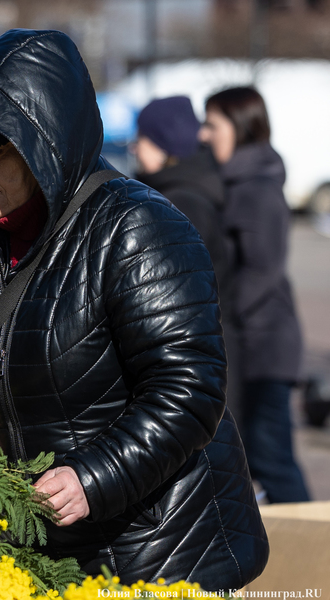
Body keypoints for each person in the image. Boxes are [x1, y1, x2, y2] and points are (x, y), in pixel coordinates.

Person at [0, 29, 267, 588]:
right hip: (30, 556)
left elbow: (189, 389)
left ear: (46, 144)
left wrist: (91, 477)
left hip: (155, 552)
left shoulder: (137, 228)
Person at [199, 86, 310, 504]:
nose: (203, 134)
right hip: (249, 340)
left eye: (213, 125)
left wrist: (218, 321)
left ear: (241, 127)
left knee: (272, 460)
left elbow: (262, 271)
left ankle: (313, 538)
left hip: (265, 346)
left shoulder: (257, 188)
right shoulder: (232, 182)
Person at [132, 96, 242, 419]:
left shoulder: (181, 203)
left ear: (164, 145)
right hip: (207, 357)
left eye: (142, 138)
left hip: (200, 366)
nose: (135, 148)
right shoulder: (185, 191)